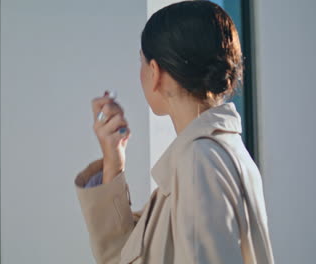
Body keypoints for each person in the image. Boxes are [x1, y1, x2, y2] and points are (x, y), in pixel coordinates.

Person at [73, 1, 275, 263]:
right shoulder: (216, 153)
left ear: (155, 72)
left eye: (141, 61)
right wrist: (113, 161)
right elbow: (125, 256)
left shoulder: (199, 160)